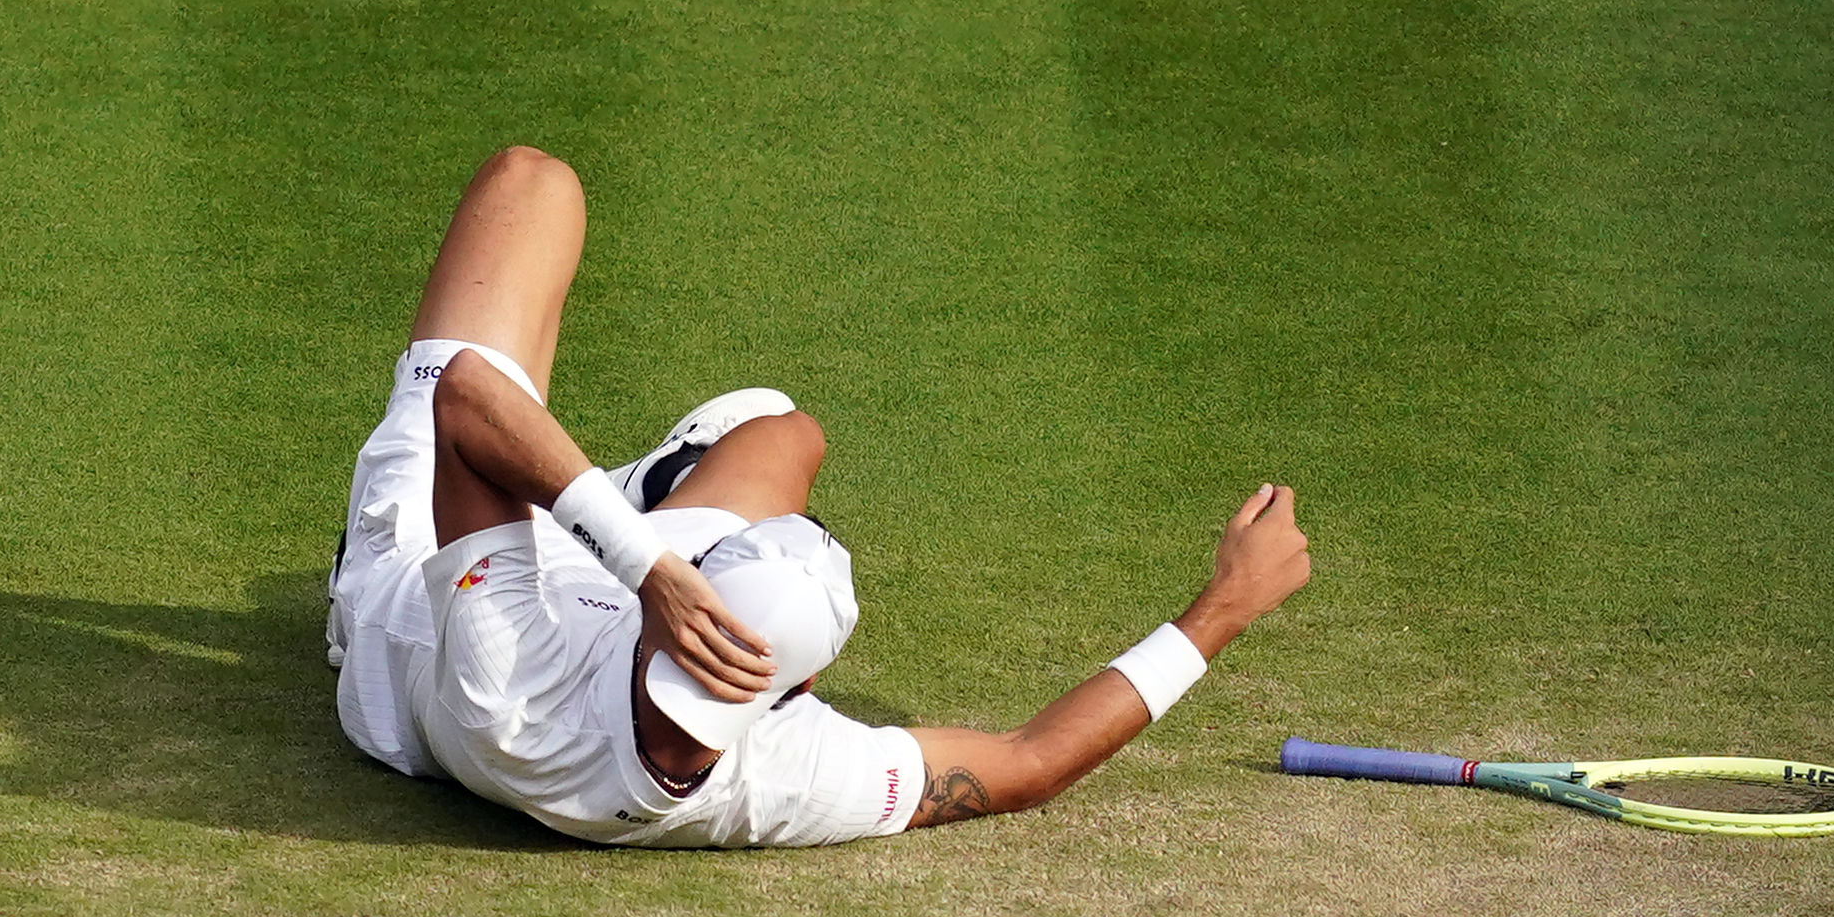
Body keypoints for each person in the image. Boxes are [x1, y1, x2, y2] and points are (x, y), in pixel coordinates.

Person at [325, 146, 1315, 845]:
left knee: (531, 185)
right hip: (613, 591)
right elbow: (1030, 762)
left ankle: (575, 514)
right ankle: (619, 499)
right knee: (778, 428)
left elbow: (469, 402)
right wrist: (1224, 607)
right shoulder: (782, 770)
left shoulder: (511, 694)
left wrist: (647, 567)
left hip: (412, 579)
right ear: (790, 690)